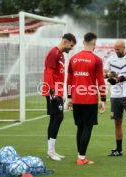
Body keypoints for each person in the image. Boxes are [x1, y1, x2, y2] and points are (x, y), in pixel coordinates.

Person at [66, 32, 106, 165]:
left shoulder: (73, 58)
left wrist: (69, 97)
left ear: (83, 42)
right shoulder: (97, 60)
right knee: (87, 127)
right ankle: (82, 158)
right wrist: (103, 99)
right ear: (94, 44)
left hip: (76, 98)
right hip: (90, 99)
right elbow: (100, 81)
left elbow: (69, 80)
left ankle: (80, 155)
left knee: (80, 127)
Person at [42, 33, 76, 161]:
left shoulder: (60, 55)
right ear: (66, 41)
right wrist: (52, 91)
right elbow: (48, 72)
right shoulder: (54, 53)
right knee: (58, 117)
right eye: (71, 45)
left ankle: (51, 151)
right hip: (53, 92)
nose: (71, 48)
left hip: (58, 91)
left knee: (55, 118)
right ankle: (51, 151)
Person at [104, 39, 126, 157]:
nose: (116, 51)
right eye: (115, 49)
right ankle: (119, 149)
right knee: (117, 122)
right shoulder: (111, 59)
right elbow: (104, 72)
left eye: (118, 49)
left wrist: (121, 78)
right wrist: (109, 76)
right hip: (115, 95)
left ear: (125, 48)